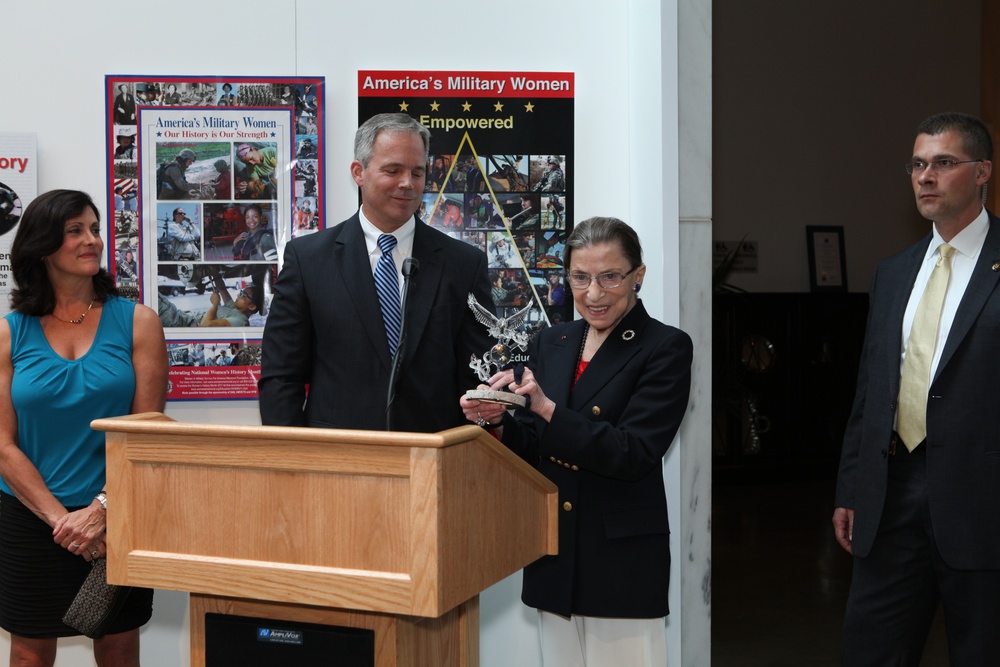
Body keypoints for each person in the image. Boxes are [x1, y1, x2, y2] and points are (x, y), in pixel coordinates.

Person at [462, 216, 693, 667]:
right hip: (557, 552)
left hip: (620, 560)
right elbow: (536, 444)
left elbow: (633, 452)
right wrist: (498, 421)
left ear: (637, 276)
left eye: (610, 277)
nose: (593, 294)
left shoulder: (665, 347)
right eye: (580, 277)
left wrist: (547, 409)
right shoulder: (553, 340)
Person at [832, 112, 1000, 665]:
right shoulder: (894, 272)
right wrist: (853, 487)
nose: (926, 176)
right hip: (891, 495)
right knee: (871, 650)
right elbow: (871, 391)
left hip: (982, 506)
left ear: (983, 172)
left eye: (944, 163)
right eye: (918, 165)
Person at [0, 189, 166, 666]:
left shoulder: (138, 323)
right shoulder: (10, 333)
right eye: (75, 231)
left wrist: (101, 509)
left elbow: (146, 435)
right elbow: (3, 444)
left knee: (117, 652)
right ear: (42, 245)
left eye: (94, 228)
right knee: (30, 656)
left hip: (116, 515)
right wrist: (63, 522)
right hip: (33, 519)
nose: (91, 240)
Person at [259, 112, 493, 431]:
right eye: (393, 170)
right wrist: (294, 461)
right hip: (339, 458)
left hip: (433, 457)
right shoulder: (309, 259)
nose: (407, 184)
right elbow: (280, 377)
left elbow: (479, 376)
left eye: (418, 172)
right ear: (359, 172)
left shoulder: (464, 264)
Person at [158, 275, 261, 328]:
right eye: (241, 292)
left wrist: (215, 304)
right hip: (181, 316)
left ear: (252, 307)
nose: (239, 295)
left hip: (181, 322)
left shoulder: (241, 321)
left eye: (244, 295)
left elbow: (205, 325)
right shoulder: (235, 309)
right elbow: (222, 289)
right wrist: (214, 273)